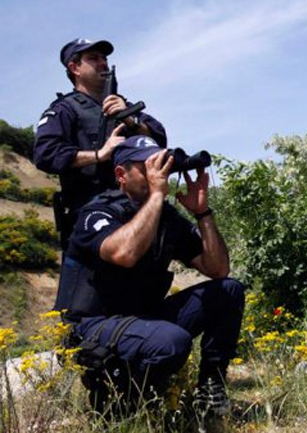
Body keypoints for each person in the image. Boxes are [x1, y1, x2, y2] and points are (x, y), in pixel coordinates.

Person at [55, 135, 244, 416]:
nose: (160, 173)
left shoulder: (166, 218)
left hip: (143, 320)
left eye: (162, 165)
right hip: (92, 326)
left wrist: (202, 213)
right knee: (172, 341)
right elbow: (124, 253)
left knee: (228, 290)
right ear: (121, 174)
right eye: (147, 167)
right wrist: (157, 195)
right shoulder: (97, 212)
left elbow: (217, 269)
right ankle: (122, 404)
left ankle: (210, 392)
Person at [34, 38, 167, 249]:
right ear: (74, 67)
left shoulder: (124, 106)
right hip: (92, 216)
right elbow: (45, 153)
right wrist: (98, 155)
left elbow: (159, 139)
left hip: (137, 211)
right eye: (93, 58)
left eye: (104, 58)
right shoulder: (64, 110)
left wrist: (130, 119)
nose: (102, 63)